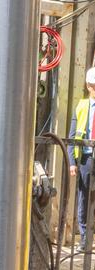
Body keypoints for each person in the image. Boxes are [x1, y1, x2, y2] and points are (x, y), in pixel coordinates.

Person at [68, 67, 95, 252]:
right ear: (88, 86)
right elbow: (71, 136)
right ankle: (85, 239)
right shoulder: (82, 106)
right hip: (85, 158)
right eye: (93, 86)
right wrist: (71, 162)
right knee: (83, 198)